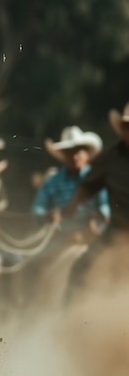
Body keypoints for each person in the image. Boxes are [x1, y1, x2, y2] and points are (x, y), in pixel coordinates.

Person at [63, 103, 129, 293]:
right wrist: (73, 205)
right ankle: (68, 318)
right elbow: (87, 185)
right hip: (117, 230)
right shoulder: (110, 158)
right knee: (80, 268)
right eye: (126, 126)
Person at [32, 126, 109, 247]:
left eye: (78, 151)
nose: (74, 156)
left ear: (87, 154)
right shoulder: (52, 181)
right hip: (59, 239)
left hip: (93, 238)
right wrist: (48, 217)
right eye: (69, 152)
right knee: (34, 263)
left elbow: (107, 209)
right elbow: (38, 209)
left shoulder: (97, 180)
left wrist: (98, 223)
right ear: (63, 155)